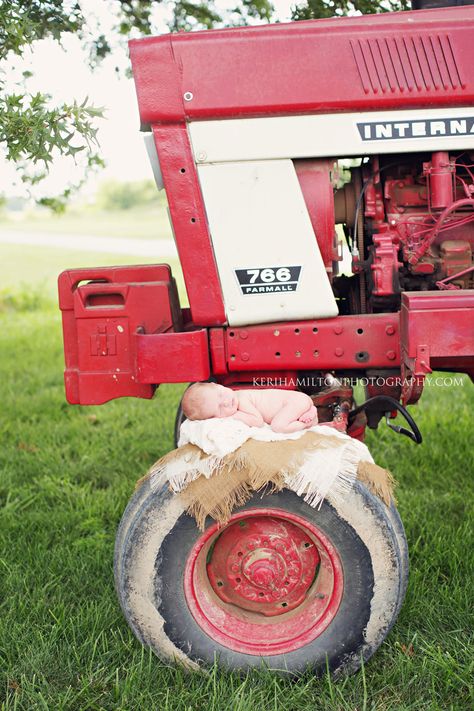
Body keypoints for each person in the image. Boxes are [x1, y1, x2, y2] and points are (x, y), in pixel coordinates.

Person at [181, 382, 318, 433]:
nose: (226, 402)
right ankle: (307, 412)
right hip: (294, 403)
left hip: (294, 401)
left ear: (218, 385)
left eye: (221, 394)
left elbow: (257, 421)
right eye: (220, 409)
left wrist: (234, 416)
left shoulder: (241, 398)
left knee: (278, 426)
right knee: (280, 422)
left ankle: (306, 423)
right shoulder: (233, 401)